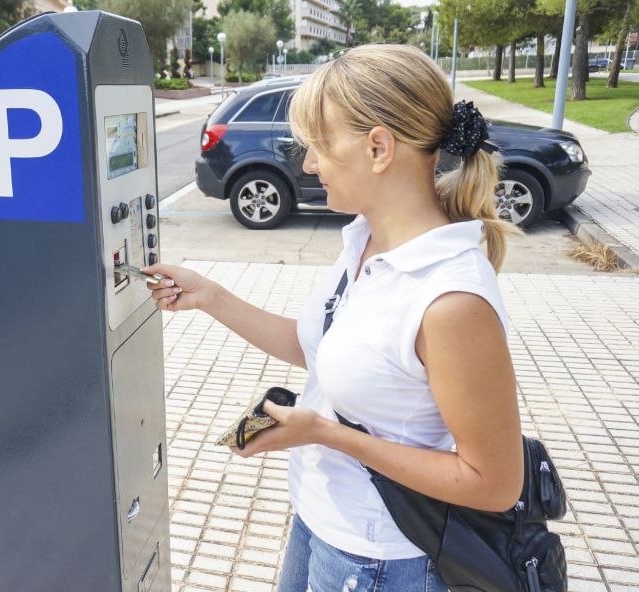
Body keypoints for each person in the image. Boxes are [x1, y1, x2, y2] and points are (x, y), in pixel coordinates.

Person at [144, 44, 524, 592]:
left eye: (318, 145)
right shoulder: (365, 242)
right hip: (320, 526)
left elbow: (493, 484)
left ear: (378, 147)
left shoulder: (451, 299)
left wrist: (326, 433)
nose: (307, 164)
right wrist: (210, 297)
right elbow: (322, 349)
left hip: (379, 562)